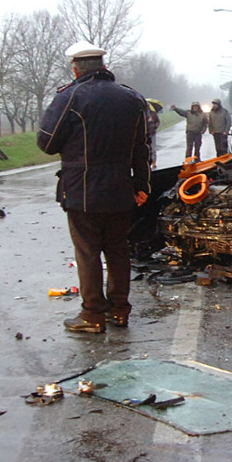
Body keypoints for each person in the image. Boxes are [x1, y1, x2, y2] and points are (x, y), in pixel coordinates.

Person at [37, 41, 150, 334]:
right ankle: (119, 311)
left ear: (76, 69)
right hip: (121, 189)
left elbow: (47, 143)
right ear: (103, 66)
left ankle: (92, 315)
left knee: (88, 253)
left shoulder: (70, 97)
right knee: (118, 250)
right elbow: (142, 147)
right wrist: (142, 185)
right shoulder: (131, 98)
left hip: (82, 191)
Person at [145, 99, 163, 168]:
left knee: (153, 148)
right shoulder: (143, 114)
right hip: (145, 134)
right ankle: (147, 162)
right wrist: (148, 120)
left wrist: (155, 126)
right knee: (147, 149)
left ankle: (154, 162)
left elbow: (158, 121)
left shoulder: (153, 113)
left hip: (152, 133)